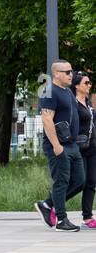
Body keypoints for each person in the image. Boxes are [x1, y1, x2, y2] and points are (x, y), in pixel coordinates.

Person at [35, 60, 83, 232]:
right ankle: (61, 220)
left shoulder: (67, 92)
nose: (71, 75)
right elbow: (47, 119)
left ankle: (47, 204)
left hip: (71, 144)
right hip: (58, 145)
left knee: (79, 181)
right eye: (67, 72)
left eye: (71, 71)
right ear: (56, 74)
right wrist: (56, 146)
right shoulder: (49, 91)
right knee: (61, 181)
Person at [65, 70, 96, 228]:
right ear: (77, 86)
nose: (89, 85)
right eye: (86, 83)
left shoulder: (88, 102)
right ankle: (53, 203)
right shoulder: (73, 104)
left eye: (90, 83)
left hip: (92, 147)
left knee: (91, 182)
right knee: (80, 181)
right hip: (79, 148)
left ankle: (88, 217)